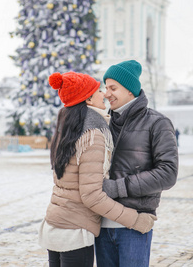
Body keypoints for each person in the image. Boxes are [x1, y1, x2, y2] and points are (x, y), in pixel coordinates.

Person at [38, 71, 156, 267]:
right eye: (99, 90)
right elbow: (91, 195)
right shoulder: (93, 133)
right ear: (89, 100)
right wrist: (135, 220)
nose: (105, 95)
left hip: (56, 224)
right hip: (75, 230)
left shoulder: (66, 126)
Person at [95, 60, 179, 267]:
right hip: (101, 224)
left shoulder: (157, 123)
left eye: (113, 88)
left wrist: (117, 187)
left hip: (134, 225)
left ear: (130, 90)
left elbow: (168, 173)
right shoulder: (102, 123)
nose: (106, 93)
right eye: (106, 88)